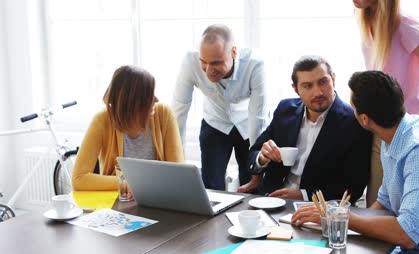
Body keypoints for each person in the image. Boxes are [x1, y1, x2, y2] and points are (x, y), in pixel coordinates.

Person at [293, 71, 419, 254]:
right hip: (417, 250)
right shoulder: (393, 135)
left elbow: (407, 234)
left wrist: (339, 216)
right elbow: (384, 204)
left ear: (365, 119)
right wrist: (332, 222)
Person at [353, 0, 419, 205]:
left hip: (408, 133)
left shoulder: (404, 26)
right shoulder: (363, 18)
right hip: (379, 131)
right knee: (376, 204)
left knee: (405, 211)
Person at [246, 55, 372, 203]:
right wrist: (262, 157)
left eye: (323, 82)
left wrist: (304, 195)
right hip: (270, 200)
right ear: (295, 89)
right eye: (307, 86)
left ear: (334, 79)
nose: (318, 92)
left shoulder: (354, 122)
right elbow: (253, 154)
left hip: (316, 208)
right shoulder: (285, 110)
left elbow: (354, 187)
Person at [172, 24, 268, 190]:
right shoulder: (190, 61)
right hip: (214, 122)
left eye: (216, 63)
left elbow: (257, 117)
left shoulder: (255, 65)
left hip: (248, 125)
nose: (209, 71)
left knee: (250, 185)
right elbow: (179, 112)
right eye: (204, 62)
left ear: (233, 53)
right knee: (211, 187)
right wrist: (177, 164)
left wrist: (257, 170)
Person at [73, 65, 184, 191]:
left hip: (158, 199)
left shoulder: (164, 114)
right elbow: (79, 179)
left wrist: (134, 182)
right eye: (149, 94)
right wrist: (133, 183)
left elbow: (178, 174)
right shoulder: (102, 120)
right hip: (117, 201)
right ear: (132, 101)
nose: (156, 99)